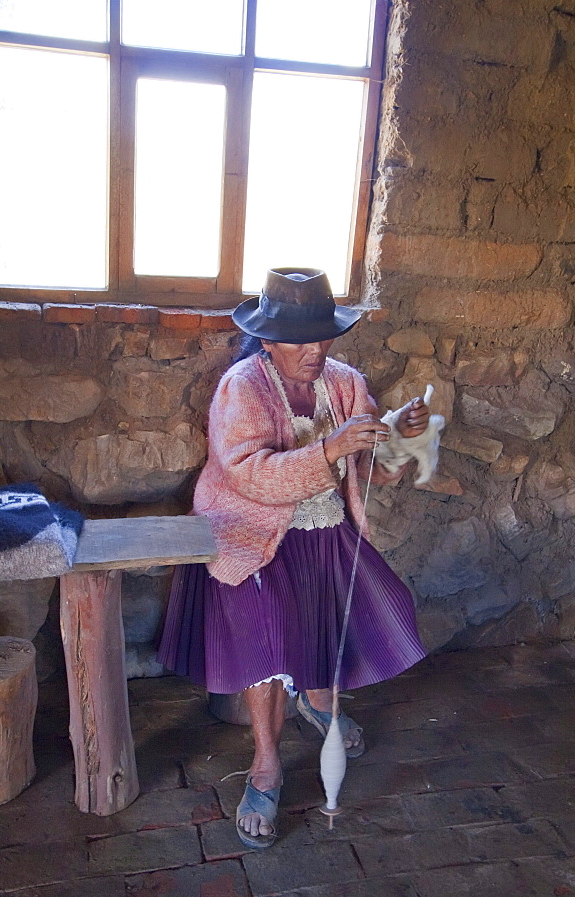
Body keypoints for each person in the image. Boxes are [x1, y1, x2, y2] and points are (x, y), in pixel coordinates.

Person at [159, 267, 433, 849]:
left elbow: (374, 468)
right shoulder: (243, 387)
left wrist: (400, 434)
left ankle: (317, 701)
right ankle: (265, 764)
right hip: (252, 532)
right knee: (270, 642)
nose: (312, 351)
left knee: (333, 622)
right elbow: (248, 475)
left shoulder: (346, 382)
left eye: (321, 337)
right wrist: (330, 447)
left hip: (325, 529)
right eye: (297, 340)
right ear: (267, 339)